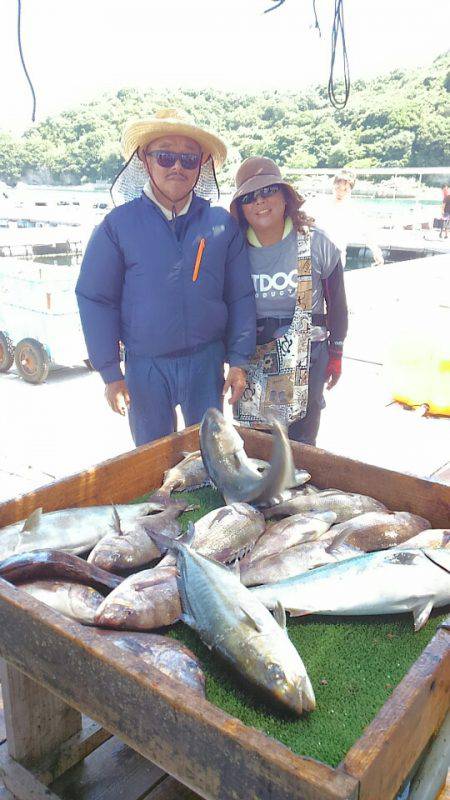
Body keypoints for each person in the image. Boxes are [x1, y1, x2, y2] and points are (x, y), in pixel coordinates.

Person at [76, 108, 256, 446]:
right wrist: (111, 374)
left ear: (201, 164)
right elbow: (96, 299)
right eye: (166, 156)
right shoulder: (117, 226)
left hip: (207, 363)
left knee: (210, 454)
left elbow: (240, 296)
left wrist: (239, 359)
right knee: (151, 457)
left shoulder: (221, 224)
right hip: (145, 367)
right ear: (145, 159)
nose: (177, 166)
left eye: (188, 159)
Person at [230, 157, 348, 447]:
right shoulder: (232, 250)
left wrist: (337, 351)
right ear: (240, 209)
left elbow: (338, 304)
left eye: (268, 191)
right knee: (256, 445)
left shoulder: (317, 243)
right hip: (253, 360)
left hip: (309, 357)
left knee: (302, 444)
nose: (259, 202)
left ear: (286, 197)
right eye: (248, 197)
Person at [305, 168, 384, 268]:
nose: (341, 192)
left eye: (345, 189)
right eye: (338, 187)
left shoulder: (352, 209)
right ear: (333, 185)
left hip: (337, 258)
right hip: (315, 256)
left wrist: (376, 252)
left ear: (350, 190)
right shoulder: (320, 204)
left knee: (335, 282)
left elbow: (366, 232)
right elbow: (305, 223)